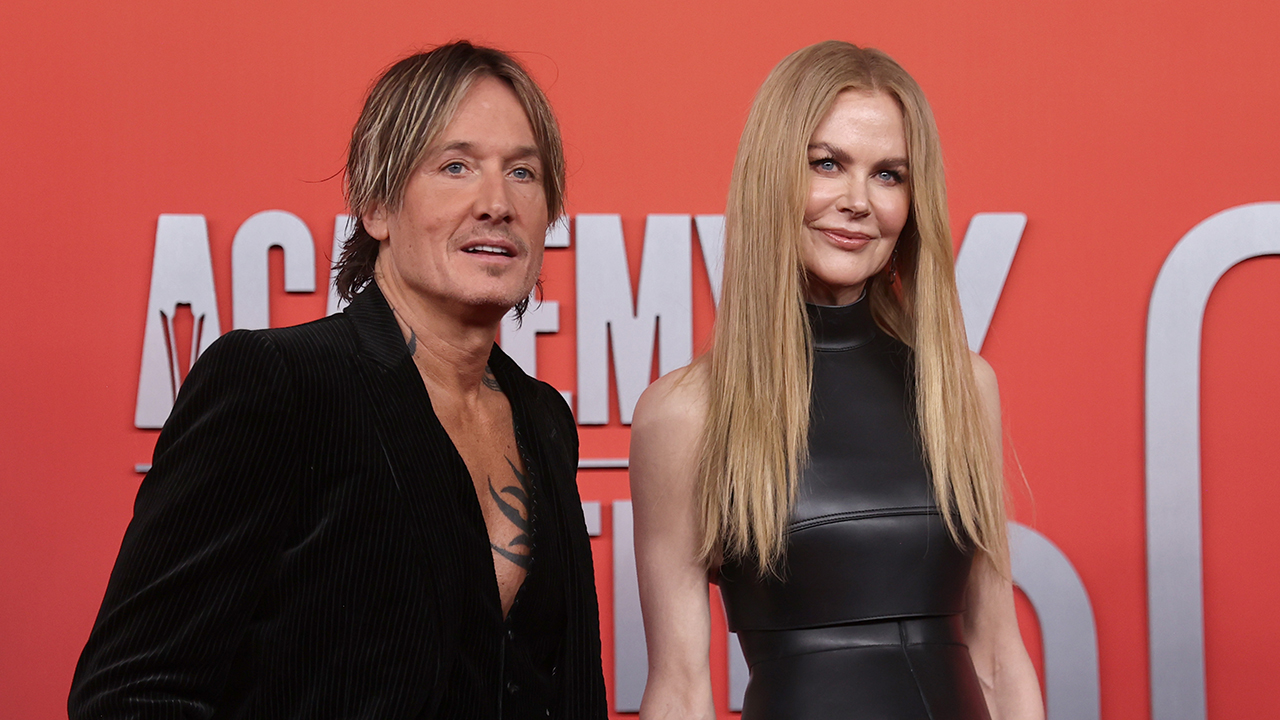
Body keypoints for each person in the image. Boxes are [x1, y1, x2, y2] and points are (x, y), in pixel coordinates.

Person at [69, 42, 606, 720]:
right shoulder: (274, 383)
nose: (496, 202)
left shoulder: (544, 417)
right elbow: (132, 692)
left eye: (522, 173)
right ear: (378, 207)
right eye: (456, 166)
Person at [630, 41, 1044, 719]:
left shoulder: (962, 387)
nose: (858, 201)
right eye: (826, 165)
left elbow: (998, 653)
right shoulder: (687, 414)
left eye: (889, 175)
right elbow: (680, 685)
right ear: (771, 177)